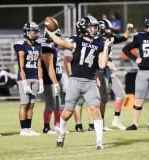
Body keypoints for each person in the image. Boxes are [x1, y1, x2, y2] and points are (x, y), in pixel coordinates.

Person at [47, 15, 113, 150]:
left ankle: (99, 142)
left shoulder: (99, 43)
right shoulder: (76, 40)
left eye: (95, 27)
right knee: (67, 112)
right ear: (83, 28)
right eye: (91, 27)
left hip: (90, 82)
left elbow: (101, 65)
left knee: (95, 109)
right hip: (75, 81)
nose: (94, 29)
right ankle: (61, 135)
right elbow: (61, 43)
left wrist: (106, 47)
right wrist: (50, 33)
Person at [97, 19, 134, 131]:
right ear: (102, 29)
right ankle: (100, 123)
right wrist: (107, 62)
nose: (110, 31)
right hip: (99, 71)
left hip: (109, 71)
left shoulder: (110, 37)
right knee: (103, 99)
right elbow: (96, 56)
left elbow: (125, 37)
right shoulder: (96, 40)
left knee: (120, 95)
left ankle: (116, 120)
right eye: (108, 29)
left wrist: (128, 29)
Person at [14, 22, 43, 136]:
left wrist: (41, 83)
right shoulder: (21, 45)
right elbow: (21, 68)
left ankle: (29, 129)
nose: (35, 33)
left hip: (35, 77)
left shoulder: (38, 46)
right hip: (24, 78)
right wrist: (25, 85)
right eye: (32, 31)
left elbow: (39, 66)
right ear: (26, 32)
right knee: (24, 104)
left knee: (31, 104)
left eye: (36, 31)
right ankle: (23, 129)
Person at [40, 30, 62, 134]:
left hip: (56, 79)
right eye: (56, 36)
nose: (58, 38)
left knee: (58, 104)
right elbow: (49, 68)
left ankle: (57, 125)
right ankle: (46, 127)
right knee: (50, 104)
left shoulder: (55, 48)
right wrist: (55, 82)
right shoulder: (46, 48)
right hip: (48, 80)